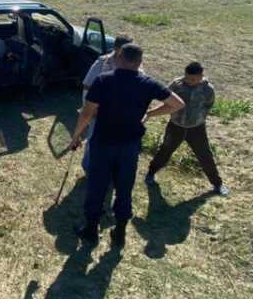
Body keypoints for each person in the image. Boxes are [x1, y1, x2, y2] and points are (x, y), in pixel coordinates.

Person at [70, 44, 184, 247]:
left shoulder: (103, 80)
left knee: (97, 186)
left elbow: (87, 112)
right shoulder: (148, 82)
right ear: (140, 62)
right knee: (124, 187)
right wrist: (150, 114)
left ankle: (91, 230)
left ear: (119, 58)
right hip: (130, 145)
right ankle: (120, 232)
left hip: (103, 142)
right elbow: (177, 104)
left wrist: (76, 136)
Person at [145, 62, 230, 196]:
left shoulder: (208, 90)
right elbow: (167, 101)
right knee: (165, 150)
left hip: (197, 128)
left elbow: (208, 105)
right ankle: (150, 173)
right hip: (175, 126)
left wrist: (199, 117)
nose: (190, 81)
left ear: (201, 76)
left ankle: (217, 184)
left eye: (194, 79)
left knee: (205, 156)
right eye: (187, 78)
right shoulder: (176, 85)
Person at [79, 34, 133, 173]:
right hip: (99, 112)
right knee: (94, 140)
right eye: (126, 49)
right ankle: (89, 168)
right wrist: (89, 109)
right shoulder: (102, 62)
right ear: (116, 48)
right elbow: (87, 86)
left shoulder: (134, 62)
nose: (129, 52)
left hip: (121, 114)